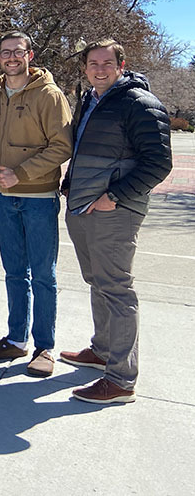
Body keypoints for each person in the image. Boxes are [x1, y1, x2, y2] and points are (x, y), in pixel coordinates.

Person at [59, 39, 171, 404]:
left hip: (115, 212)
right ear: (85, 68)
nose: (100, 69)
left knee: (117, 289)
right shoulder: (90, 99)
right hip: (83, 208)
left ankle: (121, 380)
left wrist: (115, 196)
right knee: (98, 282)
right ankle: (103, 349)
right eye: (93, 63)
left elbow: (158, 163)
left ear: (121, 66)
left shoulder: (139, 103)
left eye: (107, 63)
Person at [0, 32, 72, 377]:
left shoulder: (49, 95)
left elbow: (62, 146)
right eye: (5, 53)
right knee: (14, 273)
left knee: (43, 275)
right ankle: (16, 340)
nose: (11, 58)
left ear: (30, 55)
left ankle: (44, 347)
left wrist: (22, 173)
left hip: (38, 199)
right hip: (4, 198)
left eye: (18, 52)